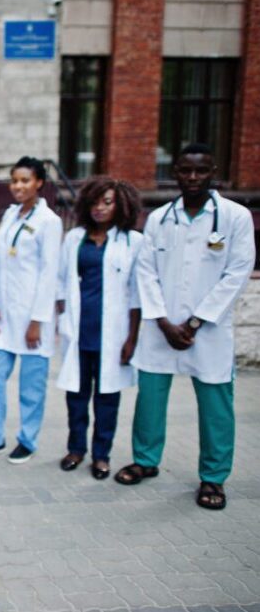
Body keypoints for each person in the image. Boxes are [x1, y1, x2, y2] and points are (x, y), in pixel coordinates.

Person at [117, 144, 255, 510]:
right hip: (161, 327)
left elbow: (237, 273)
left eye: (201, 171)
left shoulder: (234, 217)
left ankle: (213, 477)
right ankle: (146, 460)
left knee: (216, 405)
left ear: (214, 172)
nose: (193, 178)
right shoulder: (160, 218)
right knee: (150, 398)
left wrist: (194, 322)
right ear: (174, 172)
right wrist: (163, 321)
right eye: (185, 171)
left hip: (207, 330)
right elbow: (145, 272)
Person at [0, 156, 62, 464]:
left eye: (25, 180)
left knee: (31, 384)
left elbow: (50, 272)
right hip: (5, 313)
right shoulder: (10, 215)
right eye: (15, 181)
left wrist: (38, 320)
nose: (18, 186)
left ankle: (27, 438)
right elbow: (1, 264)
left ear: (39, 183)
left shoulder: (49, 222)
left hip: (32, 317)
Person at [55, 176, 143, 480]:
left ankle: (101, 455)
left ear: (121, 205)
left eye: (107, 202)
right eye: (94, 202)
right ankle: (76, 449)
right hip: (79, 332)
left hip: (113, 335)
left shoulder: (132, 241)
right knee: (76, 397)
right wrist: (61, 318)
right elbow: (60, 282)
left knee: (107, 398)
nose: (100, 208)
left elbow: (136, 295)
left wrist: (131, 339)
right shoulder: (74, 238)